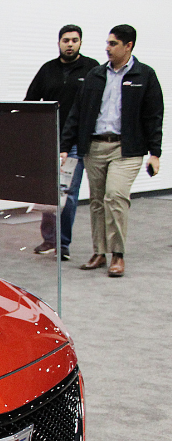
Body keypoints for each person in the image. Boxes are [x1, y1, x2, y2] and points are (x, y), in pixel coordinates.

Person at [61, 24, 163, 277]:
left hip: (126, 149)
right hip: (94, 146)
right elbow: (77, 112)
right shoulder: (95, 75)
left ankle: (117, 254)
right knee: (96, 202)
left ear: (128, 46)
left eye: (113, 44)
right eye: (107, 43)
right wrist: (65, 146)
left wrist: (155, 153)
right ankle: (99, 252)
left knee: (115, 196)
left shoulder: (144, 75)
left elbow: (153, 116)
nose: (107, 48)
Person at [25, 25, 99, 259]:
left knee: (68, 193)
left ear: (80, 43)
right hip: (50, 140)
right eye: (66, 40)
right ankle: (49, 240)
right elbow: (30, 102)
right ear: (59, 43)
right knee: (49, 193)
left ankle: (63, 244)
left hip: (76, 141)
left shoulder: (91, 69)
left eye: (74, 40)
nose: (70, 44)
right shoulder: (47, 70)